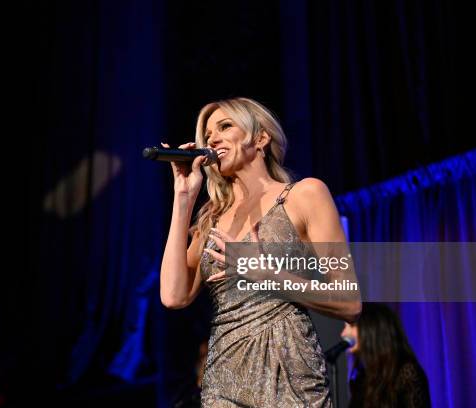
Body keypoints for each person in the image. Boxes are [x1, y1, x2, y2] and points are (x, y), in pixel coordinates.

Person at [160, 97, 361, 407]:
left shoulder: (304, 195)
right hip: (223, 382)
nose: (212, 138)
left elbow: (349, 302)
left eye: (225, 126)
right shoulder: (211, 218)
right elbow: (174, 295)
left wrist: (266, 273)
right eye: (208, 134)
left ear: (261, 138)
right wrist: (183, 198)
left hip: (290, 377)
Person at [341, 303, 431, 408]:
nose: (343, 333)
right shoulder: (362, 376)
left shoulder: (407, 373)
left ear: (371, 328)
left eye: (351, 326)